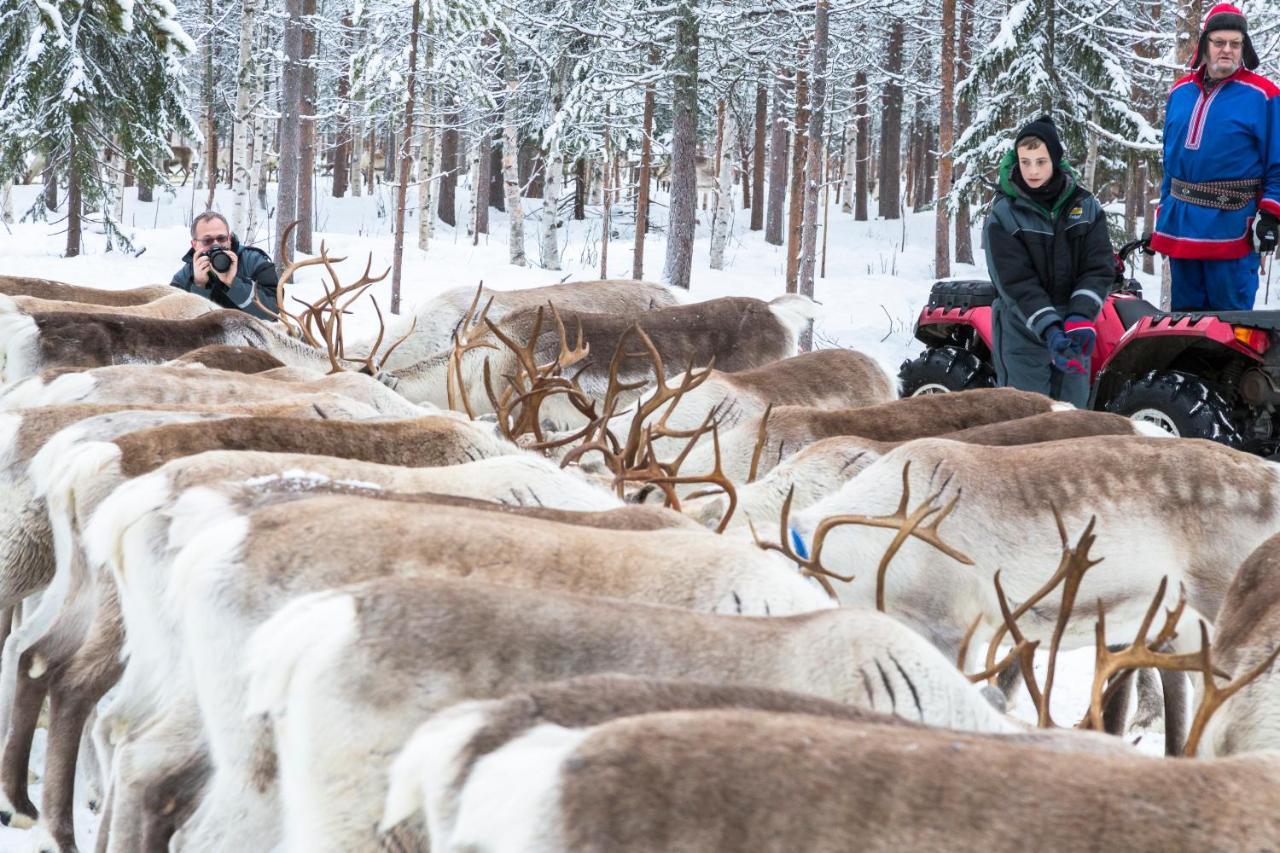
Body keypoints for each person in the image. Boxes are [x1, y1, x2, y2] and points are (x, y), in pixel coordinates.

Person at [1148, 3, 1280, 311]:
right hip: (1182, 228)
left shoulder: (1265, 96)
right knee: (1184, 327)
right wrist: (1164, 209)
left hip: (1233, 228)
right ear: (1204, 44)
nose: (1227, 50)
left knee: (1232, 332)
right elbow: (1171, 160)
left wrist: (1271, 214)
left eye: (1236, 44)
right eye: (1219, 42)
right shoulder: (1179, 93)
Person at [984, 115, 1115, 409]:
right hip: (1023, 330)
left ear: (1055, 159)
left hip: (1072, 330)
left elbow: (1098, 267)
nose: (1032, 170)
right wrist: (1049, 328)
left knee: (1072, 420)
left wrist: (1080, 317)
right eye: (1025, 161)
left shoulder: (1085, 206)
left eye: (1041, 161)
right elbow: (1015, 282)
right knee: (1028, 422)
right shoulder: (1005, 213)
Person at [171, 211, 280, 320]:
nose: (216, 244)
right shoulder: (184, 276)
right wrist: (199, 286)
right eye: (207, 240)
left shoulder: (253, 261)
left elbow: (272, 312)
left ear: (229, 238)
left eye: (221, 238)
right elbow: (174, 323)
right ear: (194, 244)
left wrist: (233, 283)